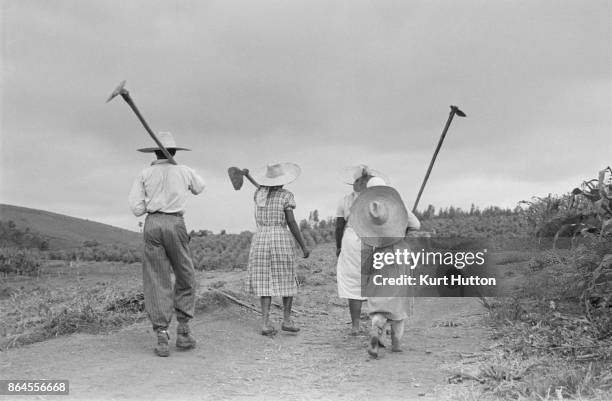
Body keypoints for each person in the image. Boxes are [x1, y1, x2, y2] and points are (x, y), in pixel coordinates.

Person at [128, 131, 205, 357]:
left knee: (156, 277)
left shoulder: (144, 173)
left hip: (152, 224)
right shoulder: (184, 171)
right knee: (185, 274)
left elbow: (136, 209)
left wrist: (153, 204)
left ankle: (162, 334)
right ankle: (183, 331)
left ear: (155, 152)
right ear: (173, 152)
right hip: (175, 223)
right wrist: (180, 173)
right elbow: (200, 187)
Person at [350, 177, 421, 358]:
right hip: (400, 253)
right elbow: (416, 225)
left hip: (379, 254)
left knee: (380, 301)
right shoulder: (395, 204)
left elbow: (365, 241)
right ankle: (396, 343)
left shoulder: (366, 210)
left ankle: (376, 333)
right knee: (399, 302)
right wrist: (402, 224)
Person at [243, 163, 310, 335]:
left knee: (265, 281)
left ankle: (265, 323)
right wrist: (303, 245)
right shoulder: (286, 196)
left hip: (261, 239)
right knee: (287, 277)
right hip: (280, 237)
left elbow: (263, 192)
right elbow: (291, 222)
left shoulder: (259, 194)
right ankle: (286, 320)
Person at [335, 165, 388, 335]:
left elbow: (339, 226)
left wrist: (338, 247)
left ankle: (356, 326)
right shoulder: (377, 200)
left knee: (353, 283)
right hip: (371, 238)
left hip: (351, 239)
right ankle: (378, 324)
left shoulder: (345, 200)